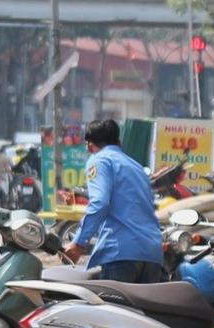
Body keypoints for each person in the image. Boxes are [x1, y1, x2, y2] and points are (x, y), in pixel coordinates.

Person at [62, 117, 164, 282]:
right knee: (144, 308)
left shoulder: (99, 160)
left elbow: (100, 203)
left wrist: (79, 243)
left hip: (121, 252)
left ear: (89, 145)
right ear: (119, 142)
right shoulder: (136, 167)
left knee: (115, 308)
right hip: (152, 253)